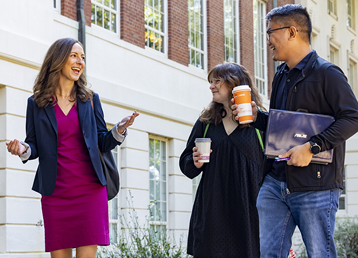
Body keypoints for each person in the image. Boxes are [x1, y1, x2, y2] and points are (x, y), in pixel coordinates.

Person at [232, 4, 358, 258]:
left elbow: (352, 117)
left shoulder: (328, 74)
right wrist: (258, 118)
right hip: (274, 184)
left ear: (291, 31)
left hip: (317, 187)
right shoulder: (281, 75)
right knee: (269, 254)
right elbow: (284, 128)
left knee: (320, 254)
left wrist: (312, 147)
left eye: (270, 33)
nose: (267, 41)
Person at [6, 38, 139, 258]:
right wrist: (22, 149)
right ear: (58, 60)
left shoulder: (90, 100)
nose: (80, 62)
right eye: (74, 56)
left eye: (83, 57)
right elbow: (34, 145)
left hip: (90, 190)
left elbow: (102, 142)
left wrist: (119, 129)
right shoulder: (36, 103)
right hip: (56, 193)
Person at [180, 62, 265, 258]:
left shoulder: (259, 122)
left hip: (248, 216)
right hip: (212, 214)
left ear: (235, 83)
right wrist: (194, 161)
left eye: (217, 81)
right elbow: (186, 164)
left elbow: (273, 168)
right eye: (211, 82)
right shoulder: (206, 122)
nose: (211, 86)